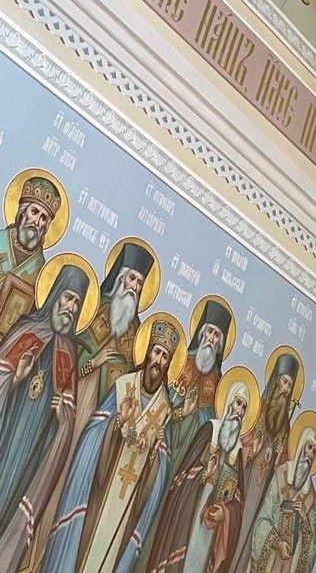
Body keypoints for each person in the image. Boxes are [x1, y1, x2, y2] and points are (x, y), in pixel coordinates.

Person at [42, 314, 182, 573]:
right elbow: (93, 430)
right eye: (157, 352)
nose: (159, 361)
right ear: (148, 353)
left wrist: (157, 455)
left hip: (128, 506)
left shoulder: (165, 410)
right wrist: (117, 423)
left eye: (165, 357)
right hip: (101, 489)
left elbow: (160, 474)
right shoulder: (123, 386)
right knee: (85, 550)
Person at [0, 259, 90, 573]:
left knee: (9, 508)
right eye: (68, 298)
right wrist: (15, 378)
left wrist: (64, 421)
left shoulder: (69, 353)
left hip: (33, 453)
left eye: (77, 303)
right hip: (6, 433)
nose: (71, 308)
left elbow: (68, 420)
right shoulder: (26, 329)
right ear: (55, 295)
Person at [142, 374, 254, 573]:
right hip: (190, 514)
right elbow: (182, 478)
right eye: (238, 403)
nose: (240, 411)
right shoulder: (210, 430)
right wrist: (203, 476)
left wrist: (225, 513)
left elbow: (238, 502)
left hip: (212, 532)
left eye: (244, 407)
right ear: (229, 402)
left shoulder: (237, 452)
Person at [229, 353, 300, 573]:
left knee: (250, 535)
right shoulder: (258, 408)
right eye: (284, 382)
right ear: (276, 380)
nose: (286, 389)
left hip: (263, 492)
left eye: (290, 385)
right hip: (246, 480)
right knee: (234, 528)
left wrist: (278, 459)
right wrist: (254, 445)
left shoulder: (286, 427)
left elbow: (283, 468)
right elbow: (242, 440)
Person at [77, 241, 157, 410]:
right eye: (132, 278)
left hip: (109, 406)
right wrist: (93, 363)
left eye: (140, 283)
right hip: (81, 392)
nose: (134, 287)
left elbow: (133, 377)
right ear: (121, 278)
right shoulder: (97, 308)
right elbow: (73, 351)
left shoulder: (136, 329)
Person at [166, 301, 234, 475]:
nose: (211, 338)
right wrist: (182, 411)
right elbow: (164, 398)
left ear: (220, 343)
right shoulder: (183, 361)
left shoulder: (218, 381)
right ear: (202, 333)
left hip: (192, 450)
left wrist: (195, 414)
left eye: (217, 335)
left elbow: (213, 422)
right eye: (210, 331)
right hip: (167, 435)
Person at [249, 422, 316, 573]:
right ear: (301, 445)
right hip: (270, 562)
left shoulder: (309, 495)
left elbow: (312, 546)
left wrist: (304, 518)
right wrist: (278, 543)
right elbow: (263, 519)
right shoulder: (281, 474)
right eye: (309, 447)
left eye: (314, 451)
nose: (310, 455)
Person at [0, 172, 63, 336]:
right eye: (34, 212)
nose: (36, 221)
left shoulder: (42, 272)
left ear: (46, 226)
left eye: (43, 218)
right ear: (22, 212)